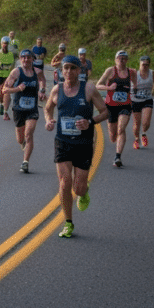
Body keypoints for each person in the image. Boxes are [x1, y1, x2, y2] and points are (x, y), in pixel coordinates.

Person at [44, 56, 109, 238]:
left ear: (79, 71)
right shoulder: (57, 90)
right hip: (63, 142)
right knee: (65, 183)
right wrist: (49, 120)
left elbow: (105, 112)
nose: (69, 71)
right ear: (61, 71)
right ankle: (68, 223)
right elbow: (47, 108)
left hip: (83, 143)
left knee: (78, 188)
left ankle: (83, 192)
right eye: (66, 68)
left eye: (73, 68)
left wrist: (90, 122)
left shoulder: (88, 89)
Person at [3, 49, 46, 173]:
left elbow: (42, 81)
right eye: (23, 57)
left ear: (33, 59)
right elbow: (5, 90)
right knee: (20, 139)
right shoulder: (16, 72)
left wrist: (42, 90)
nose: (26, 60)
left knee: (29, 134)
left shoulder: (37, 72)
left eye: (28, 57)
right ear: (20, 59)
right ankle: (23, 144)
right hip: (18, 109)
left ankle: (25, 162)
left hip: (32, 109)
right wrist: (17, 89)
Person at [96, 50, 136, 168]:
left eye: (124, 58)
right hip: (111, 106)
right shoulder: (110, 71)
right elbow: (98, 85)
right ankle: (116, 147)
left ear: (127, 60)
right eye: (119, 58)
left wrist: (135, 92)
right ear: (115, 59)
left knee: (121, 129)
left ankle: (117, 156)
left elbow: (136, 85)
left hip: (125, 106)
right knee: (113, 136)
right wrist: (109, 87)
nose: (121, 60)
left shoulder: (131, 72)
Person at [131, 55, 154, 149]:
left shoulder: (152, 73)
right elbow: (130, 86)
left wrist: (152, 92)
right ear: (139, 64)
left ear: (149, 65)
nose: (145, 66)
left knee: (146, 123)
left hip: (147, 99)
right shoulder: (135, 74)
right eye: (143, 64)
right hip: (136, 100)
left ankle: (144, 134)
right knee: (136, 123)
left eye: (147, 64)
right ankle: (136, 139)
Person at [0, 36, 16, 119]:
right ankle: (2, 104)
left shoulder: (12, 54)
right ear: (1, 44)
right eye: (4, 43)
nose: (5, 45)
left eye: (7, 44)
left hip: (8, 76)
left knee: (7, 92)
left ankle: (5, 112)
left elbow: (14, 65)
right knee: (0, 96)